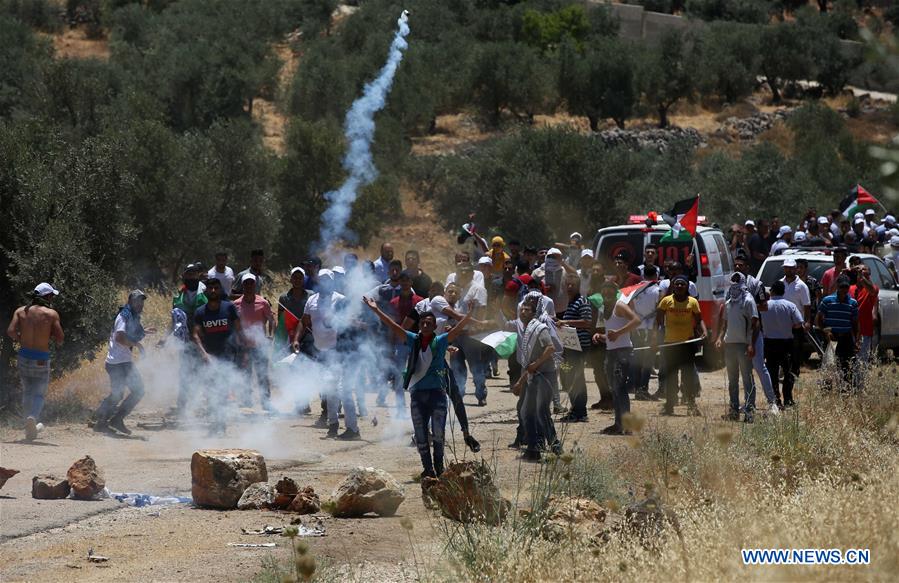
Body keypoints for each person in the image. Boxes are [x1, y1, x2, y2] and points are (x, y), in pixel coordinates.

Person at [363, 296, 479, 477]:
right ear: (419, 326)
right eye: (423, 323)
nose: (425, 325)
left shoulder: (441, 341)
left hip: (437, 395)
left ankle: (439, 468)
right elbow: (394, 327)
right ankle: (428, 469)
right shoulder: (413, 339)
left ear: (434, 327)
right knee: (421, 436)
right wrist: (376, 310)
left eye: (429, 323)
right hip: (417, 395)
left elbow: (458, 329)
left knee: (439, 435)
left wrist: (470, 313)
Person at [304, 270, 360, 439]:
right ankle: (333, 425)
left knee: (344, 390)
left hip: (342, 351)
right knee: (330, 389)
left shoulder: (340, 299)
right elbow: (305, 321)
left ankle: (353, 429)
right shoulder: (311, 300)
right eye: (320, 280)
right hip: (323, 351)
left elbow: (350, 323)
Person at [6, 283, 64, 441]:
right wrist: (47, 336)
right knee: (39, 393)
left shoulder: (20, 311)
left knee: (27, 390)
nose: (52, 299)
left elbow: (10, 331)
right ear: (47, 297)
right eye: (51, 296)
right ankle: (32, 417)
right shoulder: (51, 314)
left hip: (24, 356)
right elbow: (60, 339)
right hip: (41, 358)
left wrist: (22, 339)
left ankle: (28, 423)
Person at [95, 290, 155, 435]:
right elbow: (120, 338)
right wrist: (138, 345)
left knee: (125, 392)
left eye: (142, 301)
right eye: (137, 301)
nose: (140, 304)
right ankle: (104, 421)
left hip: (122, 362)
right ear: (130, 302)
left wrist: (144, 331)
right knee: (127, 392)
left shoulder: (132, 316)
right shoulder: (124, 316)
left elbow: (127, 333)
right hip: (118, 363)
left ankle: (108, 419)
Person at [511, 299, 562, 460]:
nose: (523, 312)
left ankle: (556, 447)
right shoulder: (527, 330)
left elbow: (550, 348)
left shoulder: (539, 328)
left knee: (542, 411)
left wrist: (536, 364)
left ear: (534, 313)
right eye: (522, 309)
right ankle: (533, 449)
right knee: (527, 412)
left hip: (545, 375)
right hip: (534, 376)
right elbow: (528, 363)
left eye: (527, 310)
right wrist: (520, 381)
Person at [192, 278, 243, 435]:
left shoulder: (229, 308)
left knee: (222, 390)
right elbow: (195, 335)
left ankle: (220, 424)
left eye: (216, 288)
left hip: (228, 357)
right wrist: (204, 354)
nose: (213, 291)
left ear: (220, 290)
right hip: (210, 358)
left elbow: (239, 330)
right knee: (211, 391)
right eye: (210, 288)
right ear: (206, 291)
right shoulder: (200, 312)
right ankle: (216, 423)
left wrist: (241, 352)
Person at [592, 280, 641, 435]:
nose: (606, 293)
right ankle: (618, 423)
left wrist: (618, 333)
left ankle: (626, 425)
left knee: (620, 389)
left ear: (615, 292)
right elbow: (612, 334)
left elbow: (636, 320)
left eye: (609, 290)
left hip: (623, 353)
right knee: (615, 389)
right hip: (612, 352)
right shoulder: (605, 308)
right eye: (604, 290)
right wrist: (602, 336)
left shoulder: (619, 305)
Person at [655, 276, 706, 416]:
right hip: (670, 344)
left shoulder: (693, 302)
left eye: (682, 284)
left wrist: (704, 332)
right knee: (671, 377)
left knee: (688, 376)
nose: (679, 286)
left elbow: (699, 320)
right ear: (672, 286)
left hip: (687, 344)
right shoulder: (666, 301)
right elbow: (658, 321)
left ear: (687, 286)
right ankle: (669, 405)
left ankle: (691, 405)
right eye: (676, 284)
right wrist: (656, 338)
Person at [716, 273, 759, 423]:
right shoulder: (729, 302)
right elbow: (725, 324)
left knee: (747, 379)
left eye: (736, 280)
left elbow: (755, 324)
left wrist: (751, 344)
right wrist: (720, 338)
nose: (734, 283)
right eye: (732, 281)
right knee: (732, 380)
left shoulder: (748, 301)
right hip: (730, 346)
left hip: (743, 346)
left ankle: (749, 411)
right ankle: (734, 411)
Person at [734, 252, 775, 406]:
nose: (738, 267)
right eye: (736, 265)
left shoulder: (756, 284)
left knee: (759, 367)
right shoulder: (732, 283)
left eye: (741, 265)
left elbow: (764, 307)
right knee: (744, 370)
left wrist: (747, 308)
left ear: (747, 267)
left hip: (754, 331)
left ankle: (772, 402)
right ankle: (749, 402)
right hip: (737, 333)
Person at [558, 274, 595, 423]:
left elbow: (587, 322)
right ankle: (576, 409)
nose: (569, 287)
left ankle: (580, 411)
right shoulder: (571, 302)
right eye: (567, 284)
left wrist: (565, 321)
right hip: (570, 347)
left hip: (579, 347)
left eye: (572, 285)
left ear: (578, 286)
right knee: (567, 377)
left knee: (576, 378)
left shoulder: (582, 301)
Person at [235, 273, 275, 410]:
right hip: (242, 346)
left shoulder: (263, 302)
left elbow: (271, 320)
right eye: (246, 283)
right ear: (242, 285)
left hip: (259, 346)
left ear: (255, 285)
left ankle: (266, 402)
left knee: (262, 374)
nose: (249, 286)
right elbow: (233, 324)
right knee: (245, 374)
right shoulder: (236, 304)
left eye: (251, 283)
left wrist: (270, 335)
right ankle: (246, 401)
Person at [762, 281, 804, 410]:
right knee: (788, 372)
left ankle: (775, 399)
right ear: (784, 292)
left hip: (769, 343)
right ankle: (788, 399)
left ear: (771, 291)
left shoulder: (764, 306)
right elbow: (798, 323)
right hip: (786, 343)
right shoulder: (790, 306)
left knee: (772, 372)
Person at [453, 265, 490, 406]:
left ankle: (481, 394)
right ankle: (459, 394)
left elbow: (481, 309)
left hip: (470, 334)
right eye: (460, 272)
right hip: (456, 332)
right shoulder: (457, 289)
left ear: (471, 274)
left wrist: (477, 327)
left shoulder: (477, 289)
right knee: (457, 366)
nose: (462, 274)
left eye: (465, 271)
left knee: (476, 366)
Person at [816, 276, 859, 389]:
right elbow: (818, 319)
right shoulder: (827, 301)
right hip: (832, 338)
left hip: (846, 338)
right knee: (829, 365)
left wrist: (857, 340)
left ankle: (846, 390)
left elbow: (855, 323)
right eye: (842, 287)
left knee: (847, 366)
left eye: (846, 287)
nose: (844, 290)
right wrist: (825, 332)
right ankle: (827, 391)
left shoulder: (852, 303)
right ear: (837, 287)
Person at [629, 265, 661, 401]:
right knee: (648, 361)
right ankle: (643, 389)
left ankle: (637, 388)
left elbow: (629, 305)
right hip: (650, 328)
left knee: (637, 359)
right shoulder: (657, 290)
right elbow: (658, 311)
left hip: (636, 327)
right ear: (655, 276)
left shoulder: (635, 289)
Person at [849, 264, 879, 364]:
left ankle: (861, 380)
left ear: (869, 273)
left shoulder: (872, 288)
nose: (861, 270)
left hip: (865, 330)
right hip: (850, 330)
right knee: (849, 361)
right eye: (859, 269)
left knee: (862, 362)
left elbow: (873, 292)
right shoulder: (850, 288)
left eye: (864, 269)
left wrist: (862, 278)